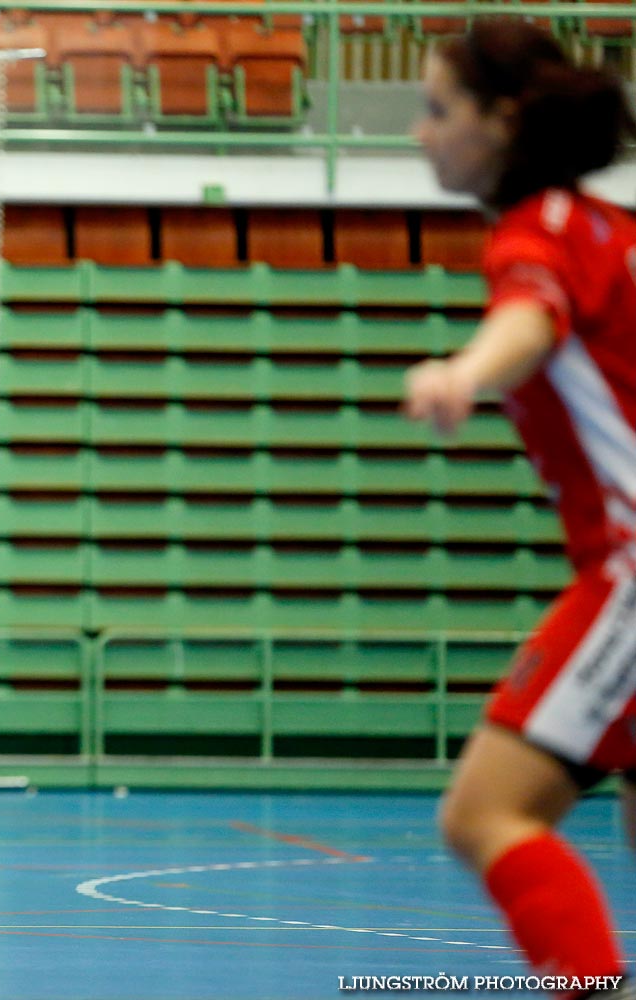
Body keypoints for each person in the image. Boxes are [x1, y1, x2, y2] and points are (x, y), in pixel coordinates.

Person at [404, 19, 636, 1000]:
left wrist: (465, 373)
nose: (420, 135)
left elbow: (530, 318)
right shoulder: (611, 230)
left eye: (436, 110)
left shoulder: (538, 229)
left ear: (502, 122)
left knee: (484, 812)